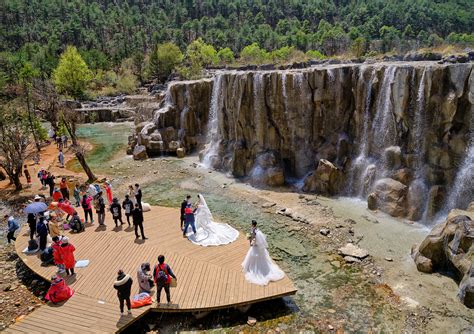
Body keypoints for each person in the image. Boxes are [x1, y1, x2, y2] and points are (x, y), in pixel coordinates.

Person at [241, 220, 285, 286]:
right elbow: (260, 240)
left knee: (253, 256)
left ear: (252, 224)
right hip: (260, 248)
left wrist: (250, 239)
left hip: (255, 247)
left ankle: (254, 269)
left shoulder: (254, 231)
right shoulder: (258, 231)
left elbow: (254, 240)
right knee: (262, 258)